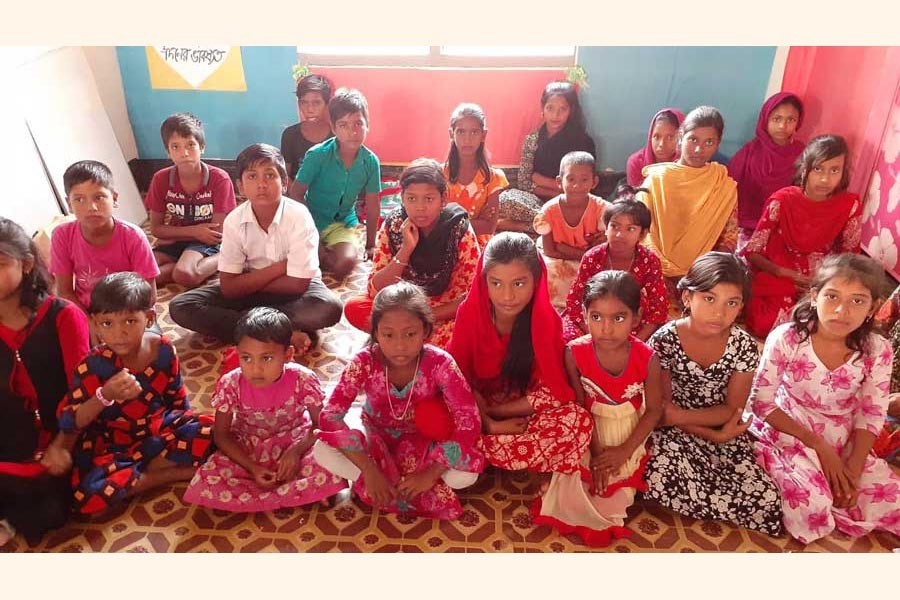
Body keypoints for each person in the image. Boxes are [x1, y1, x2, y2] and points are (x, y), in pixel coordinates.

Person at [750, 254, 900, 543]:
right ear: (814, 296)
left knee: (889, 498)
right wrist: (820, 448)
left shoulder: (876, 349)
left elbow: (871, 412)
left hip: (844, 434)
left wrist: (853, 468)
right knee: (811, 504)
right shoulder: (788, 338)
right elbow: (762, 403)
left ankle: (839, 488)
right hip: (788, 426)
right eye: (832, 296)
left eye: (858, 301)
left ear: (873, 309)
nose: (842, 310)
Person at [314, 282, 484, 519]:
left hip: (423, 444)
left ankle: (383, 486)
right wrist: (369, 469)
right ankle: (375, 482)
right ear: (375, 333)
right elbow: (330, 415)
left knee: (465, 475)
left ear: (425, 331)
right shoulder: (364, 361)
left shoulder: (440, 363)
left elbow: (469, 421)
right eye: (388, 335)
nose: (400, 345)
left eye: (410, 334)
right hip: (377, 440)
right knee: (321, 450)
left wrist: (431, 474)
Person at [642, 252, 783, 535]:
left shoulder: (742, 346)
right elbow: (662, 410)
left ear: (741, 306)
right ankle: (705, 497)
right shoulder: (665, 340)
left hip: (719, 427)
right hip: (674, 433)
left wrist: (715, 433)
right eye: (709, 299)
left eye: (731, 303)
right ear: (686, 298)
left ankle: (702, 498)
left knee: (767, 499)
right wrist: (709, 432)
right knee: (657, 473)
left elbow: (731, 410)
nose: (719, 313)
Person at [57, 272, 214, 515]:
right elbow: (71, 420)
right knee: (86, 494)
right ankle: (174, 473)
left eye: (129, 321)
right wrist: (104, 394)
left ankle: (139, 472)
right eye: (107, 324)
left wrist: (186, 429)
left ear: (149, 318)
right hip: (114, 443)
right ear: (96, 325)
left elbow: (177, 400)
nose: (119, 334)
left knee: (218, 431)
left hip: (159, 429)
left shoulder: (162, 349)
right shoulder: (93, 365)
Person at [169, 143, 343, 356]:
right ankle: (282, 331)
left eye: (269, 175)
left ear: (285, 182)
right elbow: (229, 288)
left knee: (329, 307)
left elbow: (297, 285)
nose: (261, 184)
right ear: (240, 187)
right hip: (252, 290)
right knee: (183, 305)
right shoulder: (234, 221)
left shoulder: (299, 217)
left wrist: (248, 284)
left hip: (289, 293)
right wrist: (281, 267)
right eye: (252, 177)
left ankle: (252, 326)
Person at [447, 232, 592, 481]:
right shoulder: (470, 314)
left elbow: (553, 391)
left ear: (536, 281)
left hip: (520, 409)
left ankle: (468, 454)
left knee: (577, 421)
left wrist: (498, 412)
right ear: (484, 282)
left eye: (519, 283)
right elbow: (455, 380)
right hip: (475, 406)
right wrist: (488, 422)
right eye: (496, 283)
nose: (507, 296)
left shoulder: (546, 321)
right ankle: (504, 452)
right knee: (432, 406)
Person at [533, 271, 663, 547]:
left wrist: (623, 451)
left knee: (610, 503)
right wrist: (595, 451)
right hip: (588, 432)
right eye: (596, 317)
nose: (606, 328)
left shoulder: (647, 359)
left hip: (628, 433)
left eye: (618, 318)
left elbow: (653, 410)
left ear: (636, 318)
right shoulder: (574, 352)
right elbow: (579, 405)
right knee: (572, 491)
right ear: (584, 315)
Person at [184, 307, 346, 511]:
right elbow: (222, 435)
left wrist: (295, 453)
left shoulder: (302, 379)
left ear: (288, 354)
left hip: (296, 439)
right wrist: (252, 468)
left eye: (266, 358)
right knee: (210, 477)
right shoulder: (231, 383)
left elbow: (319, 424)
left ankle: (294, 488)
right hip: (248, 448)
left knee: (331, 461)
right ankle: (301, 492)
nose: (255, 369)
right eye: (246, 358)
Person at [0, 218, 89, 546]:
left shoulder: (62, 315)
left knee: (49, 513)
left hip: (62, 434)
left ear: (25, 265)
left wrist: (62, 444)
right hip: (10, 436)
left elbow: (80, 391)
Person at [343, 159, 479, 348]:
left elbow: (472, 295)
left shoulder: (458, 228)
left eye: (429, 199)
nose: (420, 207)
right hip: (403, 306)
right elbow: (376, 289)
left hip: (443, 311)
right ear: (402, 198)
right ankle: (408, 337)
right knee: (354, 307)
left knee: (471, 325)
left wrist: (426, 317)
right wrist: (406, 249)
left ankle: (397, 337)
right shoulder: (394, 225)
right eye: (412, 198)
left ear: (443, 199)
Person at [742, 135, 861, 339]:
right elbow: (753, 251)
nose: (825, 179)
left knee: (828, 324)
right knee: (766, 323)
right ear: (805, 168)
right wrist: (784, 272)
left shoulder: (849, 205)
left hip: (822, 276)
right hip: (780, 272)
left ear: (843, 174)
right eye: (818, 169)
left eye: (834, 170)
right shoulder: (782, 200)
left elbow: (850, 257)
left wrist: (823, 280)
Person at [636, 106, 738, 293]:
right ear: (680, 137)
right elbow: (640, 233)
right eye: (693, 139)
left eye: (709, 142)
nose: (699, 149)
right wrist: (663, 271)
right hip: (653, 270)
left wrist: (700, 275)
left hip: (700, 277)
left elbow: (727, 240)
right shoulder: (657, 180)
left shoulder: (723, 185)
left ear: (718, 144)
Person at [289, 88, 381, 280]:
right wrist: (310, 230)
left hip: (342, 223)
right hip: (310, 220)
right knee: (293, 257)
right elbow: (296, 194)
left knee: (345, 264)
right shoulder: (317, 155)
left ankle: (320, 254)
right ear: (333, 127)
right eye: (344, 125)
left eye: (358, 124)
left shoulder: (370, 161)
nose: (352, 132)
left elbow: (373, 205)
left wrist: (371, 244)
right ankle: (317, 252)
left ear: (367, 125)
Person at [50, 160, 160, 314]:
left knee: (151, 338)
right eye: (79, 199)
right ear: (69, 204)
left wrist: (115, 325)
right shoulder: (62, 235)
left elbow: (149, 295)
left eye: (99, 197)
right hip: (86, 311)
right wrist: (91, 324)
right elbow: (65, 292)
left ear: (114, 198)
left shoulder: (133, 236)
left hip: (130, 310)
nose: (91, 208)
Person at [562, 191, 668, 342]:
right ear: (606, 228)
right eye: (614, 226)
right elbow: (575, 299)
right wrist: (593, 335)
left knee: (662, 341)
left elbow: (658, 306)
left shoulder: (649, 260)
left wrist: (637, 341)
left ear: (642, 234)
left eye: (630, 229)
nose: (619, 235)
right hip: (593, 319)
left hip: (631, 318)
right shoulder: (592, 257)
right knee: (566, 338)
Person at [146, 112, 237, 287]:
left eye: (190, 145)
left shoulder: (220, 179)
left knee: (185, 275)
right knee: (144, 272)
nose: (184, 153)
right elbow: (156, 229)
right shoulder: (161, 179)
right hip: (178, 238)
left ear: (202, 147)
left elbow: (215, 233)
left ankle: (230, 256)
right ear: (168, 152)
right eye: (175, 147)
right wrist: (194, 230)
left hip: (206, 241)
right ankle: (180, 263)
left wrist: (196, 234)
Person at [498, 81, 597, 234]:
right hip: (536, 200)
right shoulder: (533, 139)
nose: (555, 115)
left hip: (571, 202)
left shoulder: (582, 142)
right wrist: (558, 190)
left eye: (562, 109)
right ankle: (552, 226)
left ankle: (531, 226)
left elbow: (583, 185)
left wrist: (540, 180)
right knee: (505, 198)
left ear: (571, 110)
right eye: (550, 108)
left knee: (580, 211)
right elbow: (524, 182)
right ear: (543, 109)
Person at [533, 151, 610, 309]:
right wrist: (581, 254)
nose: (577, 186)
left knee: (609, 271)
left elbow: (606, 248)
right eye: (571, 179)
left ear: (594, 182)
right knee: (545, 271)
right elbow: (550, 251)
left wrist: (564, 249)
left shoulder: (602, 210)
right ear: (559, 181)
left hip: (587, 259)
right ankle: (561, 305)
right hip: (558, 259)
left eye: (584, 180)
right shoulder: (548, 211)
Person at [728, 92, 804, 249]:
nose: (783, 126)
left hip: (784, 230)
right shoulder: (749, 153)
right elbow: (727, 191)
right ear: (766, 120)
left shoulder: (802, 155)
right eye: (777, 119)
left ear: (798, 122)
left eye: (790, 120)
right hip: (744, 227)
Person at [443, 103, 509, 248]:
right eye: (461, 132)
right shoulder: (440, 175)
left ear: (483, 135)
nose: (467, 139)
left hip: (478, 245)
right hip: (444, 244)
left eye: (474, 132)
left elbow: (488, 227)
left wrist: (447, 223)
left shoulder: (493, 178)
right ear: (451, 134)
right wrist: (476, 220)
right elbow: (433, 221)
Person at [280, 74, 334, 182]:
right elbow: (285, 176)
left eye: (316, 103)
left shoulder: (337, 136)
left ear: (327, 104)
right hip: (296, 195)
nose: (310, 109)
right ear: (299, 104)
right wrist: (296, 196)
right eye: (304, 103)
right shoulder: (290, 135)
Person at [625, 108, 684, 186]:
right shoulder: (636, 163)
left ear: (681, 137)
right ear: (650, 136)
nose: (661, 144)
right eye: (656, 137)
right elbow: (635, 196)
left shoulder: (687, 164)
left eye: (670, 137)